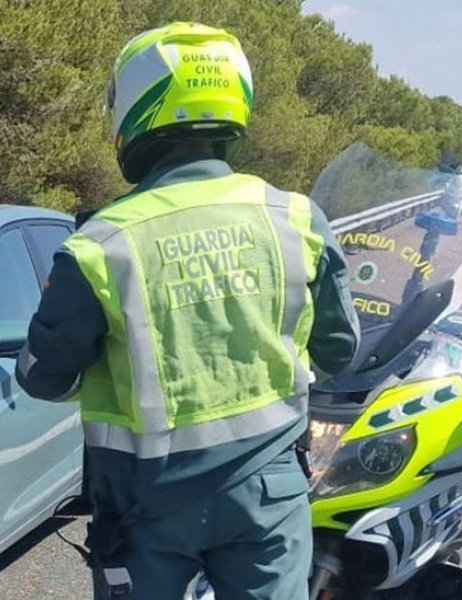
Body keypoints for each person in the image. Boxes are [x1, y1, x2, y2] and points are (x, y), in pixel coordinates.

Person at [15, 22, 360, 600]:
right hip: (267, 496)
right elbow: (337, 351)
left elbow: (44, 378)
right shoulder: (296, 218)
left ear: (133, 110)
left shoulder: (101, 244)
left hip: (146, 508)